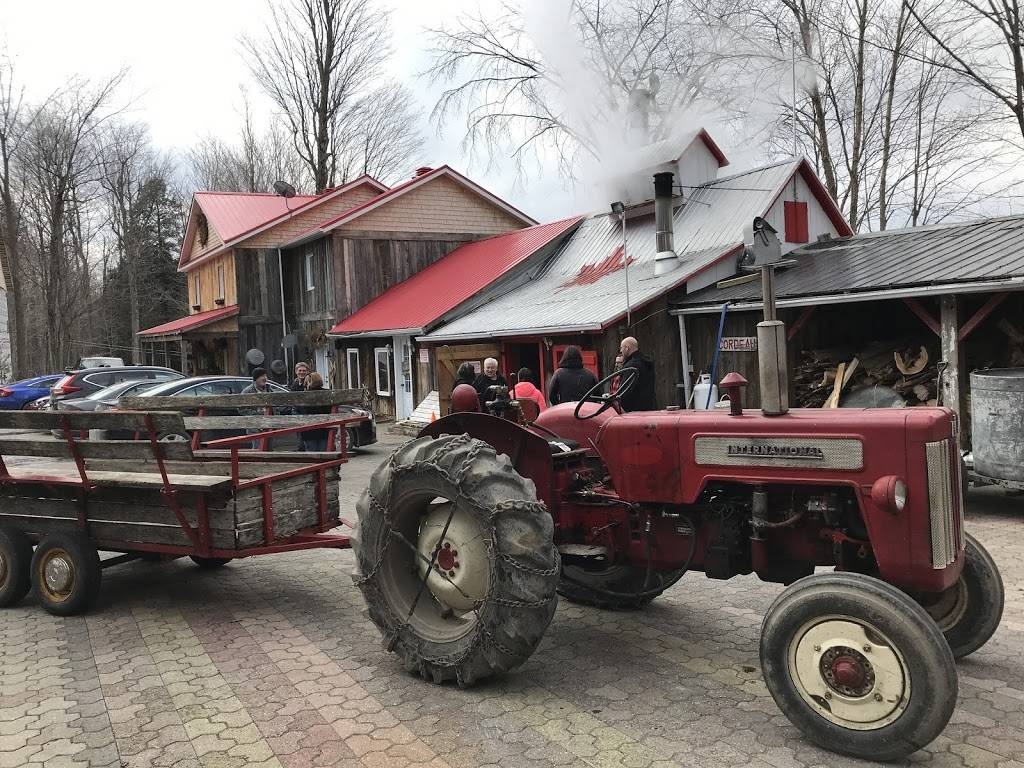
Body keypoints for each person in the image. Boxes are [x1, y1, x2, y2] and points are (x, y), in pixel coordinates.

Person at [618, 336, 656, 412]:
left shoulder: (630, 366)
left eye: (621, 348)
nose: (621, 350)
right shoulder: (647, 363)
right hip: (650, 407)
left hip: (634, 410)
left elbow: (625, 391)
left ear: (627, 348)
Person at [298, 372, 332, 452]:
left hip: (309, 431)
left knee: (312, 455)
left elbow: (301, 411)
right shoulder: (328, 393)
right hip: (324, 430)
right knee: (324, 454)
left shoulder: (304, 396)